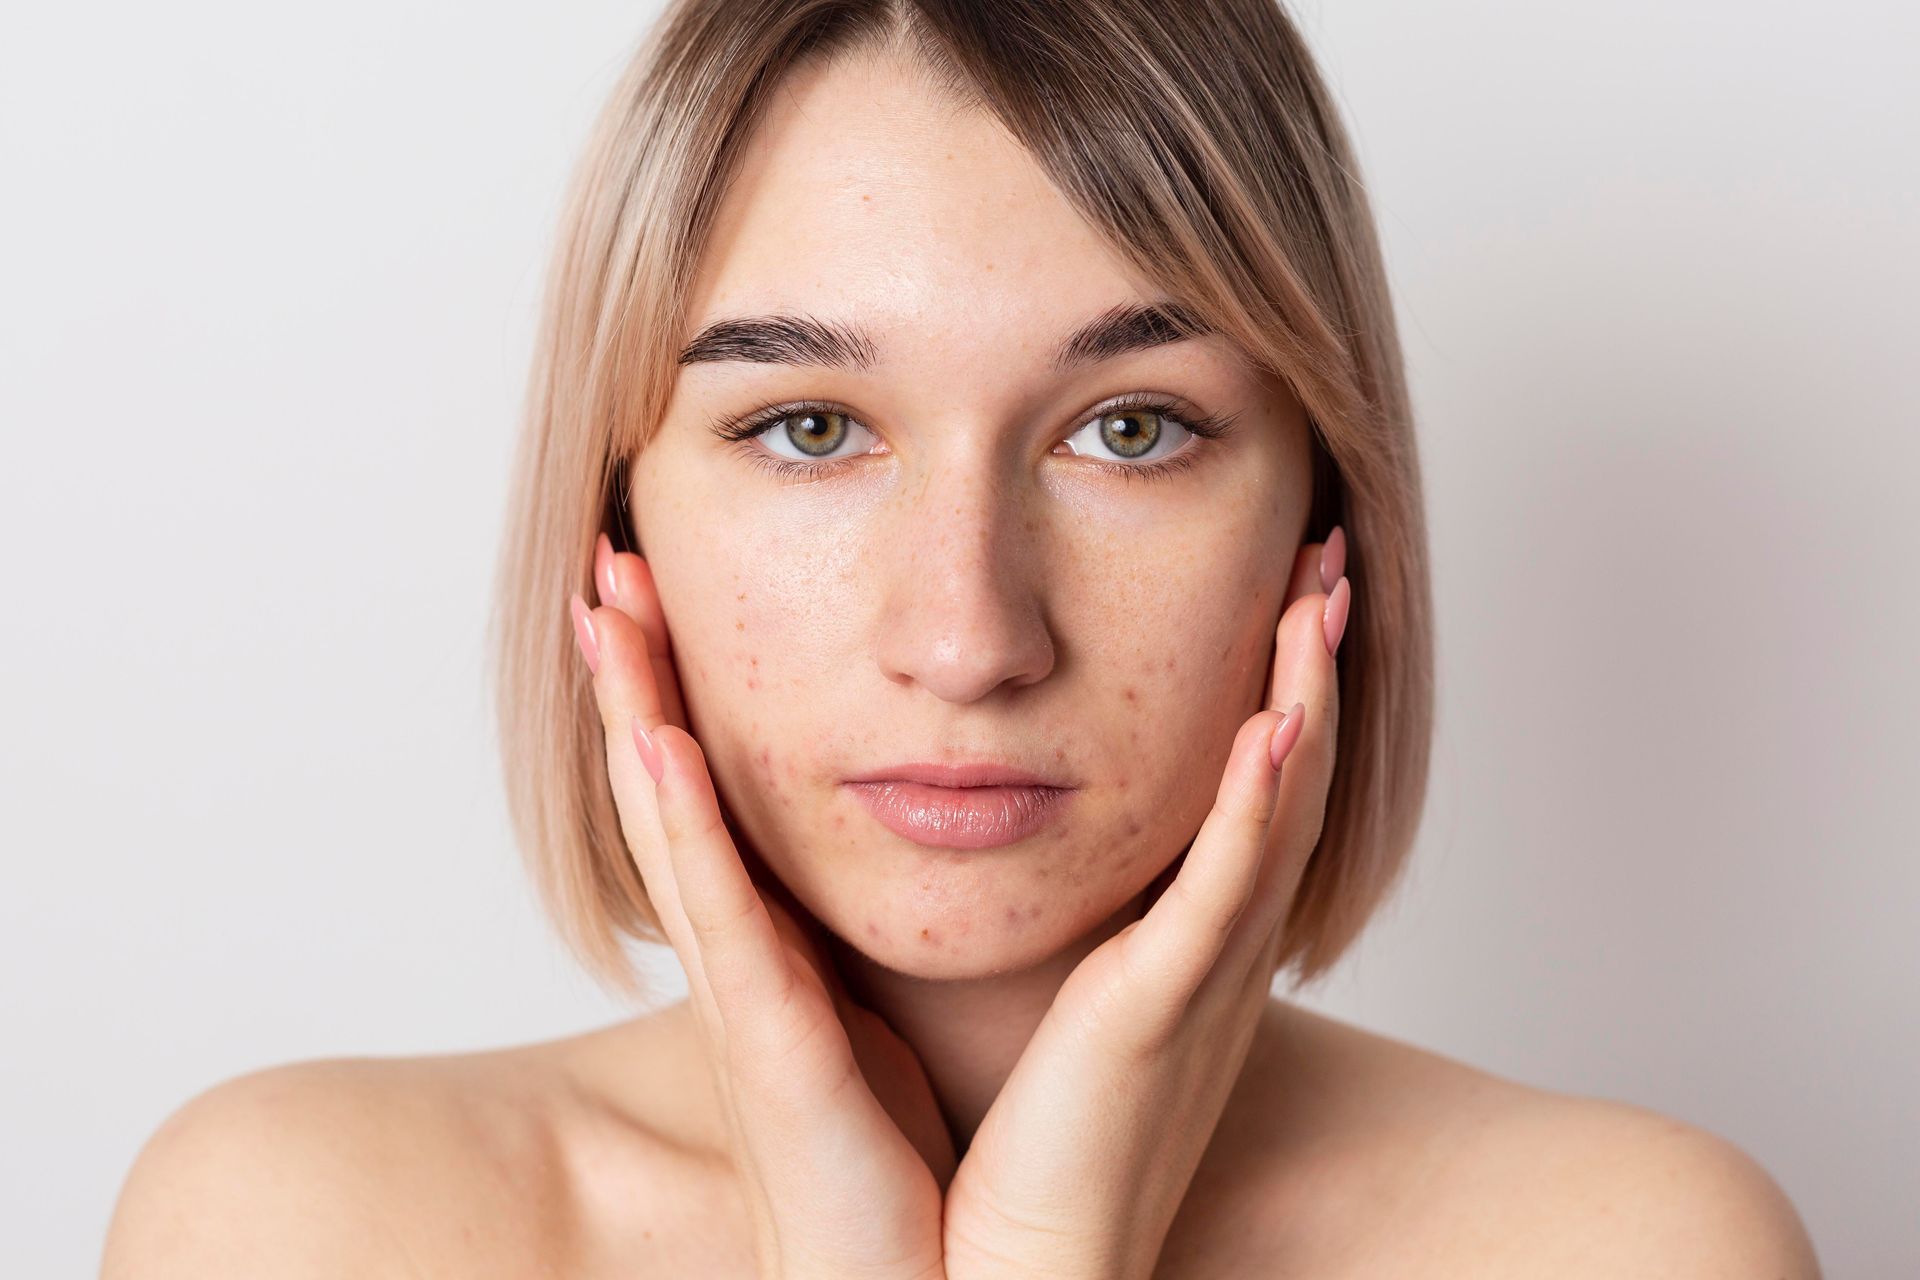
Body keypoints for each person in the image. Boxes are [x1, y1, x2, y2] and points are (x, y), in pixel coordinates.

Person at [101, 1, 1823, 1275]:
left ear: (1325, 533)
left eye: (1131, 429)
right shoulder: (302, 1223)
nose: (969, 634)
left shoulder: (1630, 1246)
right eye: (808, 429)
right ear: (619, 527)